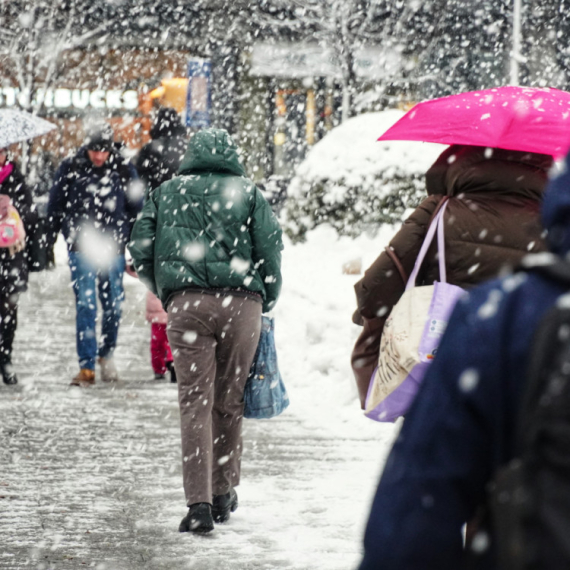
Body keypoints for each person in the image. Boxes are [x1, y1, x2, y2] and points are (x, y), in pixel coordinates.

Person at [357, 154, 570, 570]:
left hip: (454, 352)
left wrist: (374, 316)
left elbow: (414, 517)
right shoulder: (538, 224)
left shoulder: (442, 211)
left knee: (458, 469)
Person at [129, 128, 283, 534]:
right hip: (242, 304)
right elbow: (270, 247)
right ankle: (222, 491)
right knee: (229, 401)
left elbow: (140, 246)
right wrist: (267, 294)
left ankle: (197, 505)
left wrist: (166, 288)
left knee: (194, 401)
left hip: (188, 304)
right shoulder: (248, 192)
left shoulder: (167, 192)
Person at [351, 145, 553, 407]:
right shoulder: (552, 224)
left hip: (443, 357)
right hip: (518, 366)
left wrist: (371, 314)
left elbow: (378, 283)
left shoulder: (440, 210)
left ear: (464, 159)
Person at [47, 123, 142, 386]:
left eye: (103, 151)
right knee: (86, 305)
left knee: (113, 303)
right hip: (81, 246)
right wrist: (50, 240)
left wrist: (133, 244)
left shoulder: (123, 169)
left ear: (110, 149)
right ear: (86, 148)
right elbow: (55, 205)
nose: (98, 156)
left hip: (112, 247)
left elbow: (137, 209)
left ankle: (106, 354)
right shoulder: (71, 167)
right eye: (93, 151)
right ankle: (86, 366)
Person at [134, 107, 186, 381]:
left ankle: (160, 356)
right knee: (182, 291)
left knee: (159, 287)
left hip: (157, 227)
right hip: (186, 229)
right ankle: (177, 353)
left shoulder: (148, 151)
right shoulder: (187, 150)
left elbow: (137, 192)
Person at [0, 147, 37, 385]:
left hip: (10, 255)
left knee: (8, 311)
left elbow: (31, 215)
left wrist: (11, 211)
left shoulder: (16, 178)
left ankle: (5, 356)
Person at [135, 107, 187, 196]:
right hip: (182, 198)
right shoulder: (186, 147)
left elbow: (140, 178)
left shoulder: (150, 148)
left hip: (157, 199)